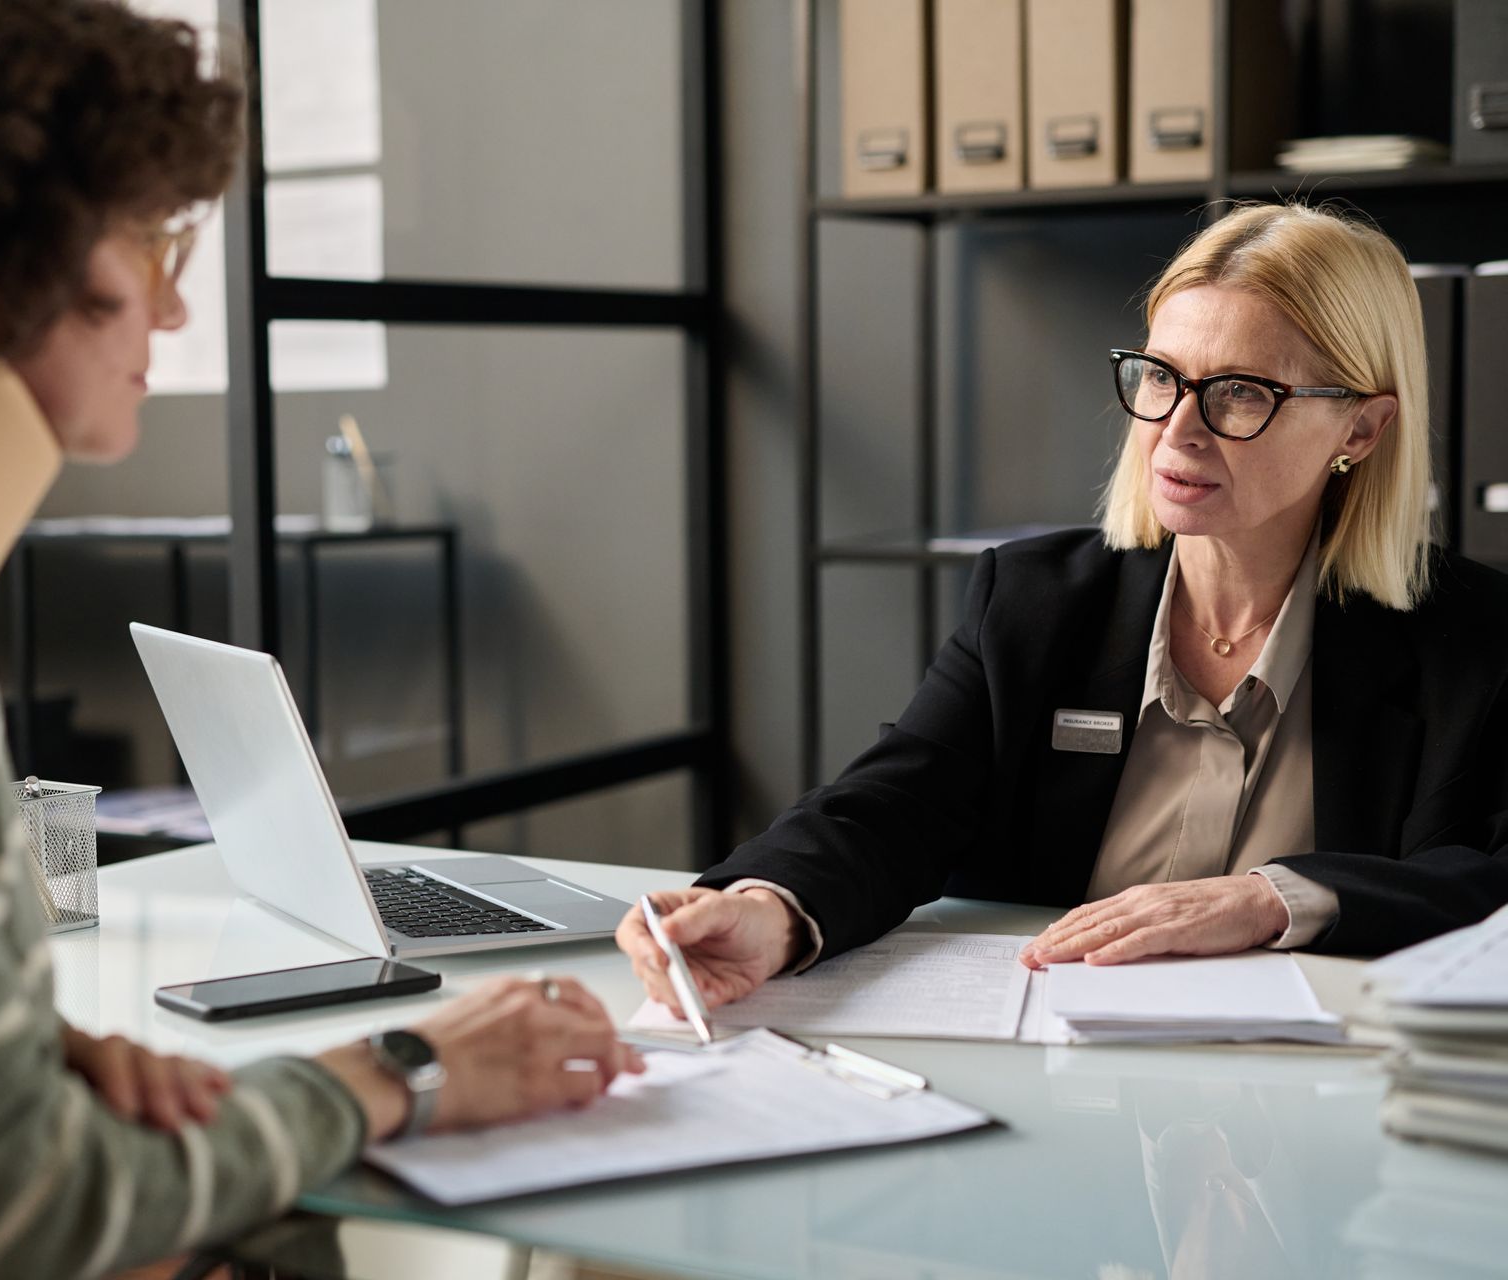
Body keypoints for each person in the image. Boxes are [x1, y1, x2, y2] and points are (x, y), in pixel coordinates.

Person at [0, 2, 638, 1278]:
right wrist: (403, 1067)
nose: (176, 310)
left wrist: (23, 1059)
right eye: (148, 240)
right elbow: (29, 1219)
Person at [621, 201, 1508, 1016]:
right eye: (1160, 375)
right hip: (1059, 1086)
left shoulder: (1475, 640)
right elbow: (893, 807)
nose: (1176, 429)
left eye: (1242, 392)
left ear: (1360, 429)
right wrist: (765, 910)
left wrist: (1273, 897)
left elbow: (1491, 879)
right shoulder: (1035, 603)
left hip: (1324, 1117)